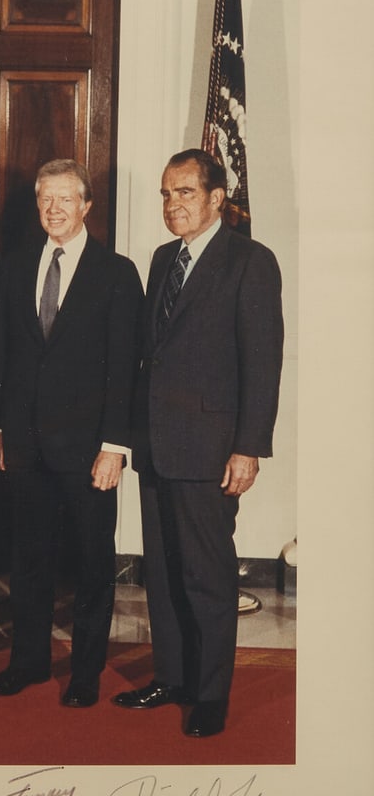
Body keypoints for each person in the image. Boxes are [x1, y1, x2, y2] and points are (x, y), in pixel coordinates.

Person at [113, 148, 284, 736]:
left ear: (216, 198)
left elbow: (263, 364)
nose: (172, 204)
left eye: (184, 192)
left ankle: (210, 694)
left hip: (211, 448)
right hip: (157, 444)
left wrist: (249, 448)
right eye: (165, 193)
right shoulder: (163, 259)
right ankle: (173, 677)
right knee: (161, 572)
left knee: (207, 576)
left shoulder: (250, 261)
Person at [0, 159, 144, 707]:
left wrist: (115, 447)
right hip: (26, 444)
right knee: (28, 560)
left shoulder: (117, 273)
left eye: (65, 199)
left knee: (93, 565)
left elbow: (126, 366)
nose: (53, 210)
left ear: (87, 206)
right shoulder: (15, 265)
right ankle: (25, 664)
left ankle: (85, 675)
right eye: (45, 199)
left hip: (89, 451)